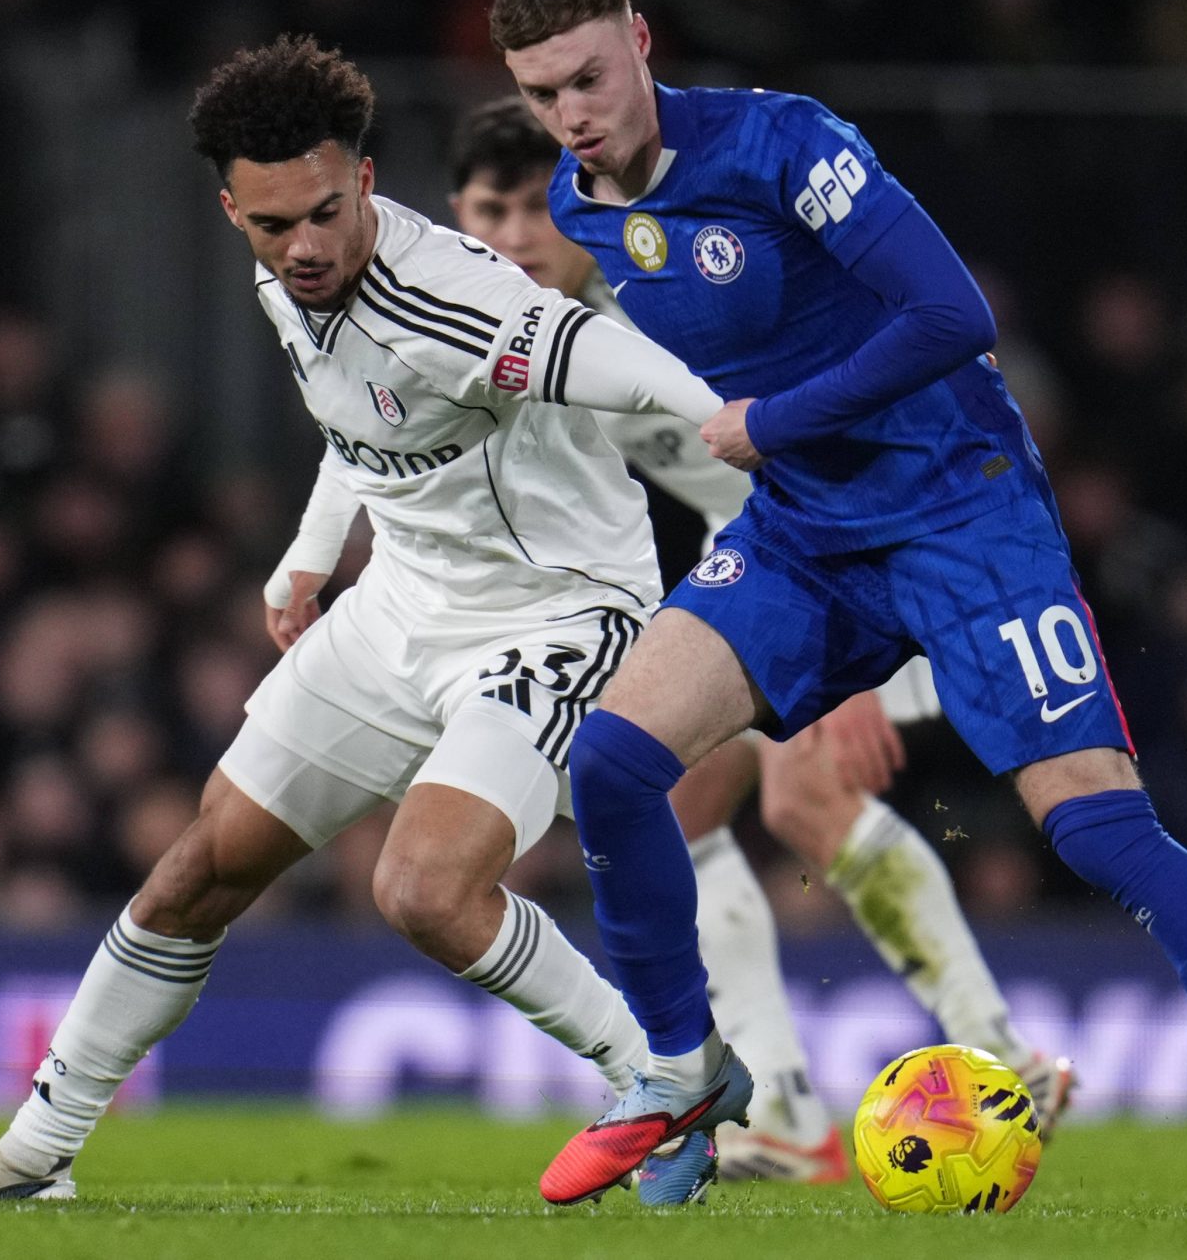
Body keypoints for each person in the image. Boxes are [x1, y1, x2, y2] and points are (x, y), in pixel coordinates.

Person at [489, 0, 1187, 1217]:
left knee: (1095, 828)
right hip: (805, 530)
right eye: (541, 93)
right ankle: (679, 1074)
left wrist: (774, 421)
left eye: (587, 78)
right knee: (609, 763)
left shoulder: (780, 144)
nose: (570, 116)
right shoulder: (579, 207)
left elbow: (950, 317)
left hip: (958, 510)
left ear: (639, 42)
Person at [0, 35, 736, 1206]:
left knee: (423, 889)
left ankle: (662, 1074)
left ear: (365, 179)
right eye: (275, 224)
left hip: (556, 610)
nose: (307, 246)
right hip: (400, 606)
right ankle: (36, 1153)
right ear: (233, 212)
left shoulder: (453, 298)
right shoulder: (283, 275)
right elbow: (364, 424)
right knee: (197, 870)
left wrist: (743, 422)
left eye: (328, 213)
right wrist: (307, 559)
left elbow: (603, 358)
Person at [444, 96, 1074, 1182]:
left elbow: (810, 409)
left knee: (804, 799)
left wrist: (851, 671)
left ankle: (996, 1055)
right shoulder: (540, 335)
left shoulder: (658, 299)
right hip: (769, 547)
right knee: (690, 808)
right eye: (484, 214)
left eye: (528, 209)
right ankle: (781, 1102)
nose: (512, 238)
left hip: (867, 530)